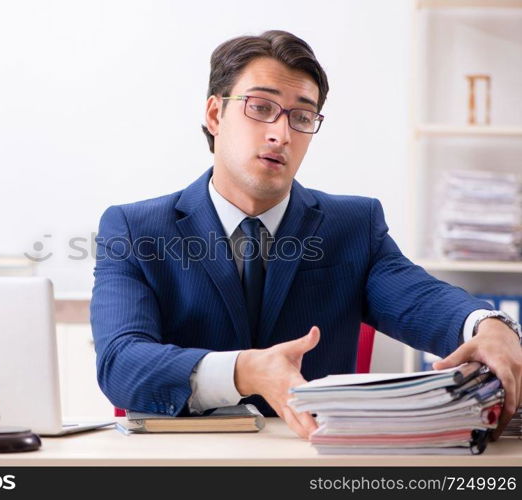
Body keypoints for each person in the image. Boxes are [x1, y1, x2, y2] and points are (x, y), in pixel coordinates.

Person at [90, 30, 522, 440]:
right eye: (260, 107)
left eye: (301, 116)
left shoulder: (352, 225)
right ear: (215, 115)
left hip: (314, 459)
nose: (281, 133)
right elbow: (121, 363)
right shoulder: (135, 229)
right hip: (183, 464)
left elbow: (418, 297)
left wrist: (488, 325)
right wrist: (244, 370)